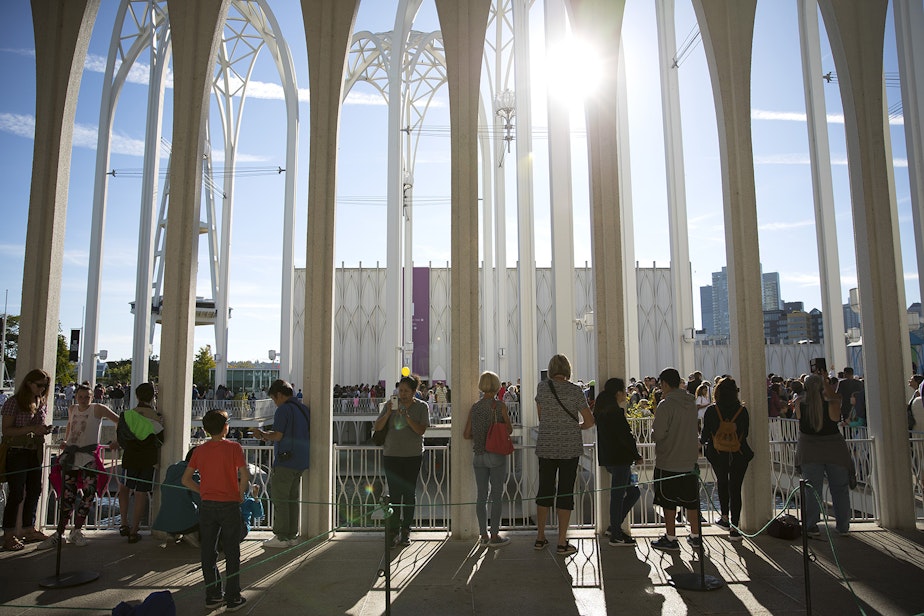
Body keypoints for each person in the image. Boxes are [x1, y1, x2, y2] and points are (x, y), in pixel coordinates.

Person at [182, 410, 249, 612]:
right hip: (229, 505)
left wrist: (202, 491)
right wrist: (239, 493)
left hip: (207, 506)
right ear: (226, 427)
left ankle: (212, 595)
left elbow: (185, 479)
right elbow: (244, 475)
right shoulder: (234, 448)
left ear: (205, 429)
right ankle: (233, 597)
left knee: (208, 551)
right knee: (232, 551)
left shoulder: (199, 451)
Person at [39, 384, 119, 549]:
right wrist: (66, 440)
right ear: (76, 396)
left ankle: (77, 529)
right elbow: (70, 425)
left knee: (89, 493)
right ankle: (60, 532)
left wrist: (117, 440)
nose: (83, 400)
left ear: (92, 397)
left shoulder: (98, 409)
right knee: (68, 495)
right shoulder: (72, 409)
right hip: (71, 456)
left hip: (88, 456)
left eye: (87, 397)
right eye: (81, 396)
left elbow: (119, 420)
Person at [534, 354, 595, 556]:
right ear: (567, 370)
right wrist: (574, 426)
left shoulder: (542, 388)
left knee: (544, 490)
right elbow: (589, 421)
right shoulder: (575, 391)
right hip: (569, 447)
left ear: (551, 370)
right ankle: (561, 541)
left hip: (546, 445)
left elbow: (541, 416)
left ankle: (540, 537)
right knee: (566, 491)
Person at [373, 373, 430, 548]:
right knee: (395, 495)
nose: (402, 394)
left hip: (412, 456)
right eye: (400, 390)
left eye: (406, 391)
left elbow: (421, 430)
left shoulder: (422, 407)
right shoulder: (391, 406)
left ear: (414, 392)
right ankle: (393, 530)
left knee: (409, 494)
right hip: (391, 455)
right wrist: (389, 412)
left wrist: (406, 417)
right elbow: (377, 427)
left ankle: (406, 530)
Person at [796, 374, 855, 536]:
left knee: (812, 490)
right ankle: (843, 526)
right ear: (822, 387)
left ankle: (811, 525)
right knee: (839, 489)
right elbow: (836, 397)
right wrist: (825, 382)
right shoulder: (833, 405)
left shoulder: (799, 405)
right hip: (834, 450)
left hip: (809, 450)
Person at [253, 379, 310, 549]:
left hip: (285, 461)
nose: (275, 403)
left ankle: (281, 536)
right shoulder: (303, 409)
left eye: (273, 399)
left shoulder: (283, 409)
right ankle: (292, 535)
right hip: (301, 460)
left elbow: (278, 435)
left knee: (280, 499)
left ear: (279, 395)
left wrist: (262, 434)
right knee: (293, 499)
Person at [2, 369, 54, 551]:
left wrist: (43, 430)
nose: (42, 389)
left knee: (35, 489)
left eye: (45, 386)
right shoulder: (13, 403)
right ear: (29, 384)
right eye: (39, 385)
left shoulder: (41, 402)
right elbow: (6, 430)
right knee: (16, 493)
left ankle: (28, 528)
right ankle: (8, 535)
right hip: (17, 452)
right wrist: (30, 429)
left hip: (34, 452)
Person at [651, 367, 702, 551]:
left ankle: (671, 537)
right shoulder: (691, 402)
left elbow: (658, 434)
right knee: (691, 501)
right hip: (689, 461)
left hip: (669, 462)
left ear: (664, 384)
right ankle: (696, 536)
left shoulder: (666, 405)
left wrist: (651, 431)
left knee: (668, 501)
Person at [463, 371, 513, 547]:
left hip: (479, 456)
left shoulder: (475, 407)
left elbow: (466, 433)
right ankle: (494, 535)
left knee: (481, 496)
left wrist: (480, 436)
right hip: (496, 456)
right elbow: (509, 429)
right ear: (497, 385)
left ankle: (483, 535)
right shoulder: (500, 406)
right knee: (496, 495)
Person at [700, 377, 753, 541]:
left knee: (722, 482)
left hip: (718, 454)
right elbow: (746, 433)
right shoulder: (742, 411)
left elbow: (704, 436)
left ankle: (724, 518)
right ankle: (735, 528)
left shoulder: (711, 411)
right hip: (739, 454)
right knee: (735, 488)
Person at [593, 378, 642, 547]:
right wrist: (636, 455)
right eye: (624, 392)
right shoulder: (615, 412)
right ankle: (615, 534)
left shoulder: (601, 411)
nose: (626, 395)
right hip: (620, 459)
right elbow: (625, 437)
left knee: (629, 493)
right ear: (618, 393)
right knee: (620, 496)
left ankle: (613, 527)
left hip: (609, 459)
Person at [116, 382, 165, 544]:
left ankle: (123, 523)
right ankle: (134, 530)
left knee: (124, 488)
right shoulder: (157, 418)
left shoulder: (128, 415)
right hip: (148, 459)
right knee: (140, 493)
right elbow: (160, 441)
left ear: (136, 396)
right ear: (153, 397)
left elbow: (121, 439)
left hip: (130, 457)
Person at [152, 447, 201, 548]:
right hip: (186, 521)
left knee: (176, 502)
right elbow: (200, 500)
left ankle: (172, 535)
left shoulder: (172, 469)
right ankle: (189, 534)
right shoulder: (193, 475)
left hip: (165, 520)